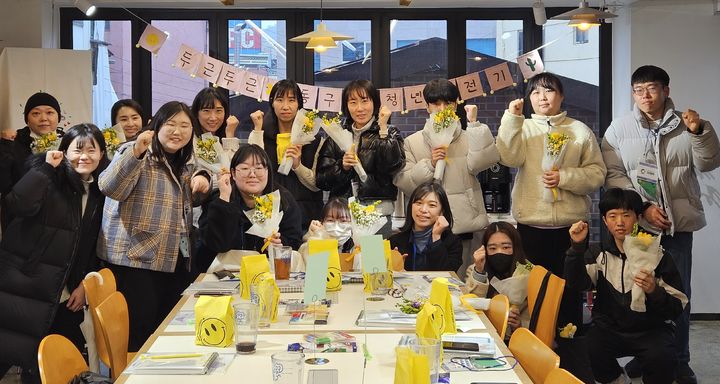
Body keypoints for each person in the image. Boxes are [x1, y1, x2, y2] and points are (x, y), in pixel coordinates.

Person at [602, 65, 720, 384]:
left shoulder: (687, 124)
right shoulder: (619, 128)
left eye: (651, 88)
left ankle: (680, 360)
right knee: (641, 290)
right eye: (638, 90)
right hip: (640, 227)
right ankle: (646, 355)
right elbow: (614, 175)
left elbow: (709, 162)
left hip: (677, 227)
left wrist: (699, 132)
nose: (645, 95)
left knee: (677, 294)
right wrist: (642, 208)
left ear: (666, 90)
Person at [97, 101, 211, 351]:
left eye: (184, 125)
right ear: (156, 125)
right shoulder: (133, 151)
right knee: (139, 337)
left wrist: (204, 177)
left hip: (173, 258)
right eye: (170, 124)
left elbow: (192, 192)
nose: (177, 131)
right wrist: (135, 152)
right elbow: (109, 187)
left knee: (166, 333)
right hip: (136, 261)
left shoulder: (183, 159)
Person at [0, 124, 107, 382]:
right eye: (77, 150)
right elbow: (16, 205)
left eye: (91, 150)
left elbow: (91, 244)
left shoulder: (98, 192)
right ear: (63, 152)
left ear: (102, 154)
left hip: (65, 294)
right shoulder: (49, 179)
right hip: (24, 288)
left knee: (53, 366)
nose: (84, 156)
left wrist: (85, 284)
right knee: (20, 358)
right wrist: (46, 168)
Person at [565, 188, 687, 384]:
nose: (619, 222)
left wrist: (654, 291)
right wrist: (576, 248)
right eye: (612, 216)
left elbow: (678, 305)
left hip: (651, 330)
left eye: (626, 215)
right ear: (604, 220)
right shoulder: (598, 252)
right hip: (610, 329)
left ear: (637, 218)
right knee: (590, 347)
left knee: (663, 358)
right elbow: (577, 283)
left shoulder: (656, 253)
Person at [495, 72, 606, 275]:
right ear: (529, 99)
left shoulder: (579, 130)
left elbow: (597, 174)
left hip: (572, 228)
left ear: (561, 96)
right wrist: (512, 119)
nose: (542, 97)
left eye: (548, 90)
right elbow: (508, 158)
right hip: (530, 227)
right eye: (535, 92)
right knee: (533, 292)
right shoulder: (523, 127)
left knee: (569, 288)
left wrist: (564, 177)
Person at [394, 78, 499, 278]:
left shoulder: (469, 137)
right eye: (436, 103)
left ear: (456, 103)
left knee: (462, 286)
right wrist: (430, 165)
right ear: (427, 106)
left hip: (464, 226)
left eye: (448, 102)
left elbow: (484, 162)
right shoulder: (412, 142)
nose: (442, 108)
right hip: (423, 229)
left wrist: (475, 125)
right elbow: (405, 184)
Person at [316, 79, 405, 238]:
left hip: (376, 214)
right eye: (353, 102)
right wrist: (342, 167)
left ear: (375, 103)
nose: (360, 108)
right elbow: (321, 180)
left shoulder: (390, 132)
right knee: (340, 261)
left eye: (365, 101)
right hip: (342, 215)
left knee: (373, 261)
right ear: (346, 106)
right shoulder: (336, 135)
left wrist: (383, 130)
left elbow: (393, 166)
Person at [198, 144, 302, 260]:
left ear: (267, 171)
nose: (252, 174)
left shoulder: (282, 200)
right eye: (245, 168)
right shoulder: (218, 198)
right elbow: (216, 246)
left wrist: (280, 244)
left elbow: (295, 242)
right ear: (233, 173)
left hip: (267, 271)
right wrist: (224, 200)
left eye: (259, 168)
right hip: (224, 272)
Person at [248, 80, 324, 230]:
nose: (285, 106)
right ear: (272, 103)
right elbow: (254, 170)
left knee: (314, 254)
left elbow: (317, 185)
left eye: (291, 100)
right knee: (272, 253)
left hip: (308, 217)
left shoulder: (313, 139)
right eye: (279, 100)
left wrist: (298, 166)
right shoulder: (260, 133)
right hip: (270, 214)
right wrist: (257, 129)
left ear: (299, 104)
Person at [0, 92, 64, 231]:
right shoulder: (12, 142)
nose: (43, 118)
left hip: (57, 220)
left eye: (49, 112)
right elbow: (4, 184)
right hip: (20, 220)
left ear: (58, 117)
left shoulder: (68, 143)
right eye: (36, 113)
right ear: (27, 119)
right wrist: (4, 147)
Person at [464, 222, 532, 335]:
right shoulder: (475, 270)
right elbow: (470, 305)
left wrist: (519, 325)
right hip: (482, 332)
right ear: (485, 250)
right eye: (492, 248)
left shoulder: (527, 273)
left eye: (506, 247)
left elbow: (534, 322)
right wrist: (479, 272)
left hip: (512, 340)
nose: (499, 252)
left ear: (516, 247)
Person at [389, 181, 462, 272]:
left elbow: (447, 276)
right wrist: (393, 272)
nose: (423, 210)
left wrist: (436, 238)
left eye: (432, 205)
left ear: (442, 211)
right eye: (419, 203)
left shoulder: (453, 243)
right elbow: (374, 275)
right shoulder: (394, 241)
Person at [296, 197, 355, 272]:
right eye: (330, 220)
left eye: (343, 221)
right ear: (322, 222)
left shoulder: (358, 247)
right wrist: (317, 240)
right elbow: (316, 279)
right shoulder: (311, 247)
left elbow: (372, 277)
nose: (336, 226)